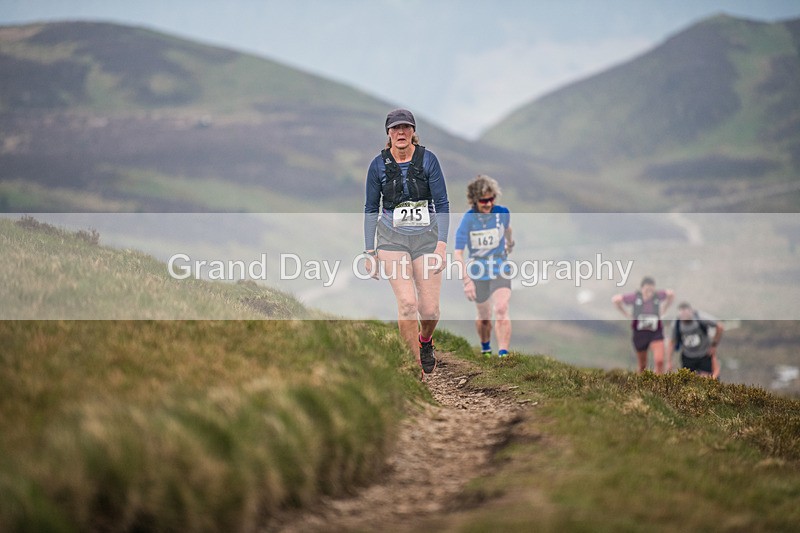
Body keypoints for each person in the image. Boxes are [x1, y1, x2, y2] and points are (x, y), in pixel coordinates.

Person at [363, 109, 450, 379]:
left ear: (413, 132)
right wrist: (370, 250)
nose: (401, 133)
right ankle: (413, 367)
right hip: (391, 239)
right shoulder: (378, 166)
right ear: (388, 134)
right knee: (407, 304)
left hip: (426, 239)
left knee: (430, 309)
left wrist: (442, 245)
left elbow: (443, 204)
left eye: (406, 128)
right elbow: (370, 208)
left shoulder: (428, 161)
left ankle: (425, 341)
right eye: (395, 128)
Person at [453, 175, 514, 357]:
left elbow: (508, 228)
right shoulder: (468, 219)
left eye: (491, 199)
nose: (488, 204)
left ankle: (504, 354)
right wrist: (467, 281)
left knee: (501, 308)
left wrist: (510, 243)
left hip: (500, 268)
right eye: (483, 200)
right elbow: (458, 253)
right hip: (478, 272)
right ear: (474, 200)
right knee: (484, 317)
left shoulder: (502, 212)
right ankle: (486, 348)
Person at [612, 276, 675, 373]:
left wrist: (664, 309)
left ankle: (659, 384)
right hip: (640, 334)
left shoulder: (657, 296)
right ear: (642, 289)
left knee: (659, 361)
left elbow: (671, 294)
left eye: (651, 290)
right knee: (642, 365)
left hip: (656, 332)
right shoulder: (634, 297)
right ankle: (642, 385)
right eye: (647, 289)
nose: (649, 292)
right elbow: (616, 299)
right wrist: (626, 314)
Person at [668, 302, 723, 378]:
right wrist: (669, 361)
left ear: (691, 311)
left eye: (686, 312)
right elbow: (672, 342)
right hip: (688, 357)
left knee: (707, 379)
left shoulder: (700, 318)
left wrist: (714, 345)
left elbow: (719, 326)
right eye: (682, 313)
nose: (684, 315)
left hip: (704, 355)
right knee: (688, 382)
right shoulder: (676, 324)